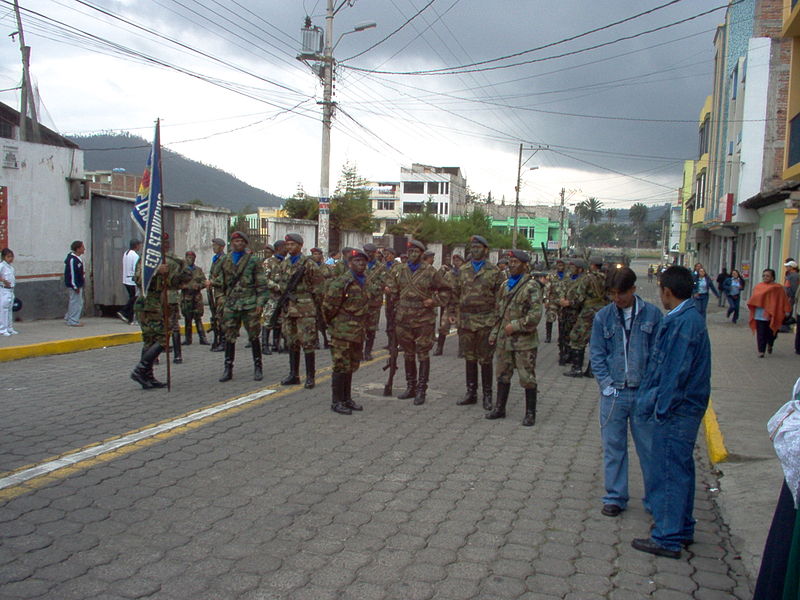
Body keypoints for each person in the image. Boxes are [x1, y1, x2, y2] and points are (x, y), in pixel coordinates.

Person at [632, 266, 711, 559]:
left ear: (667, 291)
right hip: (683, 408)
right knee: (680, 469)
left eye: (661, 289)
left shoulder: (684, 323)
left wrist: (661, 410)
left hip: (677, 411)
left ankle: (667, 537)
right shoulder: (686, 318)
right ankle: (682, 527)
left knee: (668, 472)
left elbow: (675, 372)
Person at [589, 267, 662, 518]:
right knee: (613, 447)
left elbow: (658, 355)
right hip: (615, 394)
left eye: (621, 293)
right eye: (612, 294)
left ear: (633, 289)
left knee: (650, 450)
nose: (617, 299)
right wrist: (607, 385)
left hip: (643, 393)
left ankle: (654, 499)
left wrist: (651, 389)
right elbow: (597, 354)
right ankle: (615, 496)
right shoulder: (603, 317)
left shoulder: (652, 315)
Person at [385, 239, 452, 405]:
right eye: (410, 252)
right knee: (408, 354)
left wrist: (434, 301)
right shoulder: (399, 270)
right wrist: (389, 290)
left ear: (422, 254)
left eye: (416, 252)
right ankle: (411, 387)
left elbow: (446, 291)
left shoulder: (430, 272)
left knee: (422, 353)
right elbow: (392, 288)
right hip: (403, 319)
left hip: (423, 320)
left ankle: (422, 389)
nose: (412, 254)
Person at [487, 249, 542, 426]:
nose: (511, 266)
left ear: (525, 266)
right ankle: (499, 408)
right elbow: (499, 313)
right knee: (502, 374)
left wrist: (516, 325)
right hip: (504, 340)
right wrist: (494, 333)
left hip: (524, 341)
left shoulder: (531, 286)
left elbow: (535, 316)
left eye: (516, 263)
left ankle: (530, 413)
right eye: (510, 263)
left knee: (527, 377)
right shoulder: (505, 285)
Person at [323, 249, 382, 415]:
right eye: (356, 261)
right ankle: (336, 401)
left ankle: (347, 398)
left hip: (358, 331)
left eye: (363, 262)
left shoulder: (366, 282)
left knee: (351, 365)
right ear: (349, 263)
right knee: (340, 366)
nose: (361, 264)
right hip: (342, 332)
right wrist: (336, 325)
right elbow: (328, 307)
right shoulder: (342, 282)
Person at [130, 233, 189, 390]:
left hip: (158, 303)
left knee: (150, 341)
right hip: (147, 304)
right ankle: (141, 369)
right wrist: (156, 270)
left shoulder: (168, 260)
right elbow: (138, 279)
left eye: (167, 242)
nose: (166, 245)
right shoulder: (146, 259)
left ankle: (147, 376)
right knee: (163, 338)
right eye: (162, 242)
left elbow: (173, 283)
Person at [452, 235, 503, 410]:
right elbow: (455, 293)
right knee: (470, 357)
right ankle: (471, 392)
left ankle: (488, 395)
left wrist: (497, 321)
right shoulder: (463, 270)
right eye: (472, 247)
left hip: (486, 320)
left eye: (478, 247)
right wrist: (454, 314)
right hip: (466, 321)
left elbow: (500, 298)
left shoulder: (495, 272)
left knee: (485, 359)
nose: (474, 250)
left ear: (486, 250)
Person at [214, 231, 268, 382]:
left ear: (245, 244)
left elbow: (261, 284)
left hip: (249, 303)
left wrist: (260, 303)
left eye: (241, 241)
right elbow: (219, 283)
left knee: (253, 336)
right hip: (231, 304)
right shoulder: (225, 260)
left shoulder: (253, 260)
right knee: (229, 336)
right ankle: (228, 368)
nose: (238, 243)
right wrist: (221, 298)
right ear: (232, 243)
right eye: (235, 241)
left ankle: (258, 367)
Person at [274, 233, 324, 388]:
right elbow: (280, 285)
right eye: (287, 245)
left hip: (305, 309)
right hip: (289, 308)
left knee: (308, 343)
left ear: (300, 246)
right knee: (292, 342)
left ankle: (310, 377)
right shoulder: (284, 264)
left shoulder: (309, 264)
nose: (289, 247)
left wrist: (316, 308)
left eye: (293, 244)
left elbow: (319, 288)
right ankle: (293, 374)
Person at [563, 256, 608, 378]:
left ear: (592, 266)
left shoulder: (588, 278)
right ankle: (591, 369)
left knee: (577, 337)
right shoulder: (607, 278)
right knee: (597, 339)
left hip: (588, 312)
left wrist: (569, 303)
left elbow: (579, 297)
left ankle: (577, 368)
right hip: (603, 312)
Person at [748, 268, 791, 358]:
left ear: (772, 277)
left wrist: (786, 310)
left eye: (767, 276)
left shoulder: (778, 288)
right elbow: (754, 299)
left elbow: (783, 300)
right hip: (760, 314)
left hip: (772, 315)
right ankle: (761, 351)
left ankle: (770, 344)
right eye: (763, 276)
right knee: (761, 333)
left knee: (771, 333)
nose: (765, 277)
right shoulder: (758, 286)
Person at [180, 251, 209, 346]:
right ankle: (188, 339)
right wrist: (183, 286)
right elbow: (176, 282)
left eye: (192, 257)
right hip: (186, 297)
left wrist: (199, 286)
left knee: (198, 318)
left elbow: (204, 282)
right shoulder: (182, 271)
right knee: (187, 319)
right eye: (188, 257)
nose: (190, 259)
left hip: (196, 298)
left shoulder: (198, 270)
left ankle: (202, 338)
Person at [362, 243, 384, 361]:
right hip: (360, 302)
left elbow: (382, 283)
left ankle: (368, 351)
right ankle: (359, 351)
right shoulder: (360, 264)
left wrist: (368, 288)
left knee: (371, 328)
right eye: (366, 251)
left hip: (374, 302)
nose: (368, 254)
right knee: (360, 327)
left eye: (370, 252)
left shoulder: (381, 267)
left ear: (375, 253)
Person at [207, 237, 227, 352]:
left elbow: (224, 277)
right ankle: (219, 340)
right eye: (213, 245)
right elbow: (212, 274)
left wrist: (212, 282)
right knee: (217, 317)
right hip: (216, 293)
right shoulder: (216, 259)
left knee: (221, 318)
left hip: (222, 294)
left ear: (222, 247)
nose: (214, 247)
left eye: (216, 245)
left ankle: (223, 342)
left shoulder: (224, 259)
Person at [118, 239, 141, 325]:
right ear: (136, 245)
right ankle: (125, 313)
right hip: (132, 281)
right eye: (139, 245)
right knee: (134, 299)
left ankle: (128, 317)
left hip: (126, 279)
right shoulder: (135, 256)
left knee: (132, 298)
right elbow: (136, 269)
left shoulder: (126, 253)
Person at [544, 259, 566, 344]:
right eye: (559, 265)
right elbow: (547, 288)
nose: (560, 267)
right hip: (553, 300)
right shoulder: (551, 276)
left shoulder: (567, 276)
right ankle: (548, 336)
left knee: (562, 319)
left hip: (563, 301)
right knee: (550, 317)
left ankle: (561, 337)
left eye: (562, 265)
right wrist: (546, 300)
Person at [64, 240, 86, 327]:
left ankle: (69, 317)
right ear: (78, 249)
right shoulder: (73, 260)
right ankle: (73, 320)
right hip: (75, 285)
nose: (84, 249)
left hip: (78, 284)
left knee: (78, 302)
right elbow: (72, 274)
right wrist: (75, 286)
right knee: (75, 302)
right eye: (82, 247)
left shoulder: (77, 259)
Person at [0, 248, 17, 336]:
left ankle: (10, 328)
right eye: (8, 257)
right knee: (4, 310)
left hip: (11, 290)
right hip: (4, 290)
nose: (10, 258)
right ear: (4, 257)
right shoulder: (1, 266)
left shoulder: (11, 267)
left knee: (10, 309)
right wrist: (3, 280)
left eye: (11, 256)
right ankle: (3, 329)